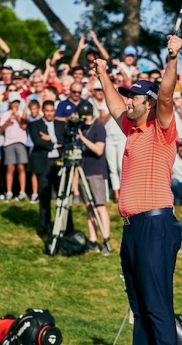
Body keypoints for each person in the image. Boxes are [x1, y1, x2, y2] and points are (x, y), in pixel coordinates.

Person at [93, 34, 182, 345]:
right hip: (133, 229)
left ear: (150, 103)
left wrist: (172, 59)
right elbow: (115, 103)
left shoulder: (162, 127)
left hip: (155, 225)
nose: (127, 100)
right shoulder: (132, 128)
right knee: (140, 310)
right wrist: (103, 74)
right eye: (128, 96)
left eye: (134, 97)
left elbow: (167, 94)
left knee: (157, 309)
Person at [76, 102, 111, 255]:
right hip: (84, 171)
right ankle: (92, 240)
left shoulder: (98, 127)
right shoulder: (82, 127)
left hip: (96, 172)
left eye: (88, 114)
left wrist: (82, 139)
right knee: (89, 207)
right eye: (83, 115)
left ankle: (106, 240)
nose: (86, 118)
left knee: (100, 207)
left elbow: (99, 150)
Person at [28, 100, 67, 235]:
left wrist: (50, 139)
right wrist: (56, 143)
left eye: (52, 111)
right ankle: (46, 228)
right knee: (45, 198)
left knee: (63, 196)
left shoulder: (61, 124)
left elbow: (65, 141)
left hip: (58, 163)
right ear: (43, 111)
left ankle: (65, 226)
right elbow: (37, 141)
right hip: (43, 164)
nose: (49, 113)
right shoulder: (35, 125)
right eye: (47, 111)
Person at [0, 92, 28, 201]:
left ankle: (22, 191)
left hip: (20, 142)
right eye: (13, 102)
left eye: (17, 102)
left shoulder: (22, 113)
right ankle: (9, 192)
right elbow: (1, 130)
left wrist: (17, 116)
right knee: (10, 168)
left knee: (21, 167)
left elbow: (24, 126)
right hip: (9, 143)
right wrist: (7, 121)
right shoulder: (6, 114)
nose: (15, 104)